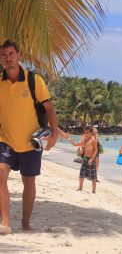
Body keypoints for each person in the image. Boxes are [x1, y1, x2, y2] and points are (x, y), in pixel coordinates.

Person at [0, 39, 58, 234]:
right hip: (5, 140)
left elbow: (49, 108)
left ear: (18, 56)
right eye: (4, 55)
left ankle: (25, 222)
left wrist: (54, 134)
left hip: (31, 142)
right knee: (1, 175)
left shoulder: (34, 81)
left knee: (29, 181)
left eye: (11, 54)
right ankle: (6, 222)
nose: (7, 58)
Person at [64, 126, 98, 193]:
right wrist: (69, 138)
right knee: (81, 174)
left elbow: (96, 150)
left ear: (91, 133)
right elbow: (75, 144)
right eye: (84, 133)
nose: (85, 134)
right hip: (85, 159)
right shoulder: (85, 140)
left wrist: (92, 159)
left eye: (87, 133)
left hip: (91, 159)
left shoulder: (93, 140)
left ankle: (93, 191)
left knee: (93, 176)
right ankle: (80, 188)